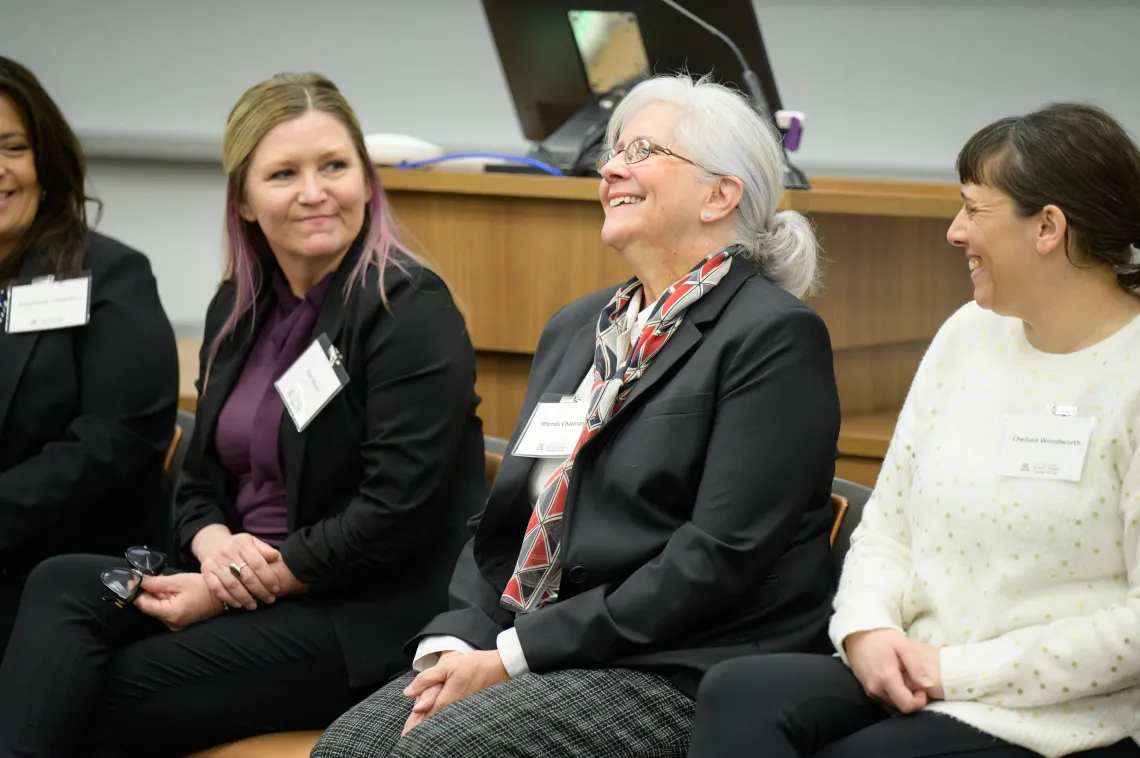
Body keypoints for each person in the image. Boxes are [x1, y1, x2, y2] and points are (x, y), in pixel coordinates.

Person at [312, 72, 842, 758]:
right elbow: (506, 520)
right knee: (346, 748)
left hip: (678, 663)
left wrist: (512, 655)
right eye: (613, 152)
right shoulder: (579, 328)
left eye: (643, 151)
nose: (611, 167)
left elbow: (715, 558)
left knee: (435, 754)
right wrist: (458, 639)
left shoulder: (772, 336)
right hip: (544, 641)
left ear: (721, 194)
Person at [0, 72, 485, 757]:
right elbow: (197, 481)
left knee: (96, 684)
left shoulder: (407, 309)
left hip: (357, 611)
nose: (314, 192)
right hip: (235, 581)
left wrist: (231, 587)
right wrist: (211, 547)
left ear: (367, 183)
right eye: (284, 173)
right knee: (60, 584)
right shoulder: (238, 308)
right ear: (246, 202)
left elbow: (394, 512)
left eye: (335, 167)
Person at [687, 103, 1140, 758]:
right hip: (919, 671)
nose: (955, 232)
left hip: (1060, 711)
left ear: (1048, 227)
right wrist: (867, 631)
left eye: (973, 210)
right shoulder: (968, 334)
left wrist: (954, 672)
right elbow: (889, 523)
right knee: (737, 694)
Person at [0, 56, 178, 654]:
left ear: (43, 163)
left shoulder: (110, 276)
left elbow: (115, 444)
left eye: (11, 147)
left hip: (84, 567)